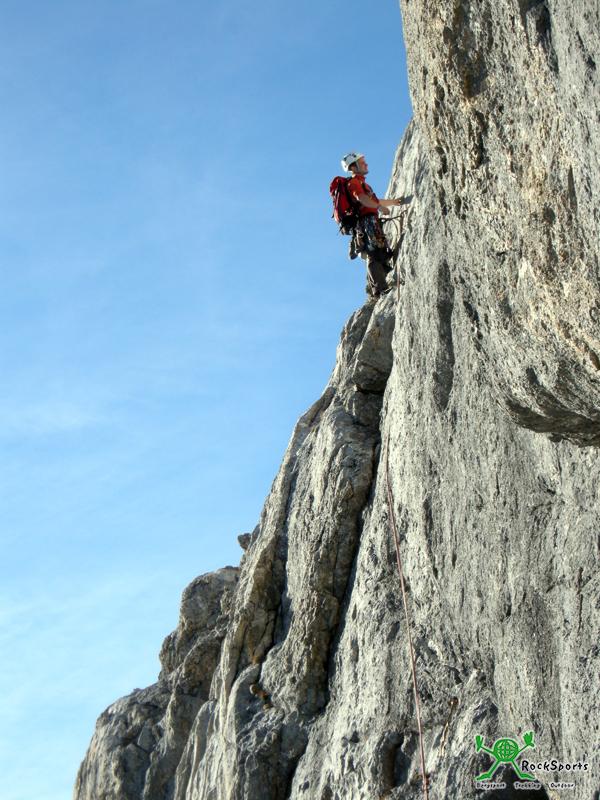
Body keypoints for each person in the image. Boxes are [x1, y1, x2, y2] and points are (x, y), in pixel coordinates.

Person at [341, 152, 406, 297]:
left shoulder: (364, 184)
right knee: (373, 253)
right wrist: (379, 207)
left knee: (380, 251)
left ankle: (382, 282)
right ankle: (380, 289)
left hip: (371, 221)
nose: (366, 164)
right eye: (362, 162)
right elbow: (362, 199)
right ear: (353, 167)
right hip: (365, 223)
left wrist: (394, 202)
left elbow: (374, 201)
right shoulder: (354, 183)